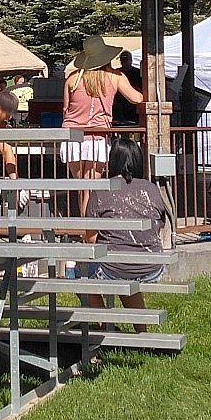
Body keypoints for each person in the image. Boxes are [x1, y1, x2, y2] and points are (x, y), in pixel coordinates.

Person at [80, 138, 169, 332]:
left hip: (115, 267)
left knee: (79, 274)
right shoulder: (152, 189)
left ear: (112, 161)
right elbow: (158, 227)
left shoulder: (102, 189)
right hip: (152, 265)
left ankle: (106, 326)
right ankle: (141, 331)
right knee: (125, 271)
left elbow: (90, 239)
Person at [61, 36, 144, 207]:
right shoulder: (115, 77)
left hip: (72, 136)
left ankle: (84, 220)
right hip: (97, 136)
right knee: (91, 186)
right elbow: (136, 98)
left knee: (81, 186)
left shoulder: (72, 79)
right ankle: (89, 222)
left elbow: (65, 109)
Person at [112, 51, 143, 125]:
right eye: (123, 60)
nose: (124, 62)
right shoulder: (116, 73)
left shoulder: (138, 72)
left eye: (126, 60)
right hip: (119, 104)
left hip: (133, 103)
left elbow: (142, 87)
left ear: (131, 60)